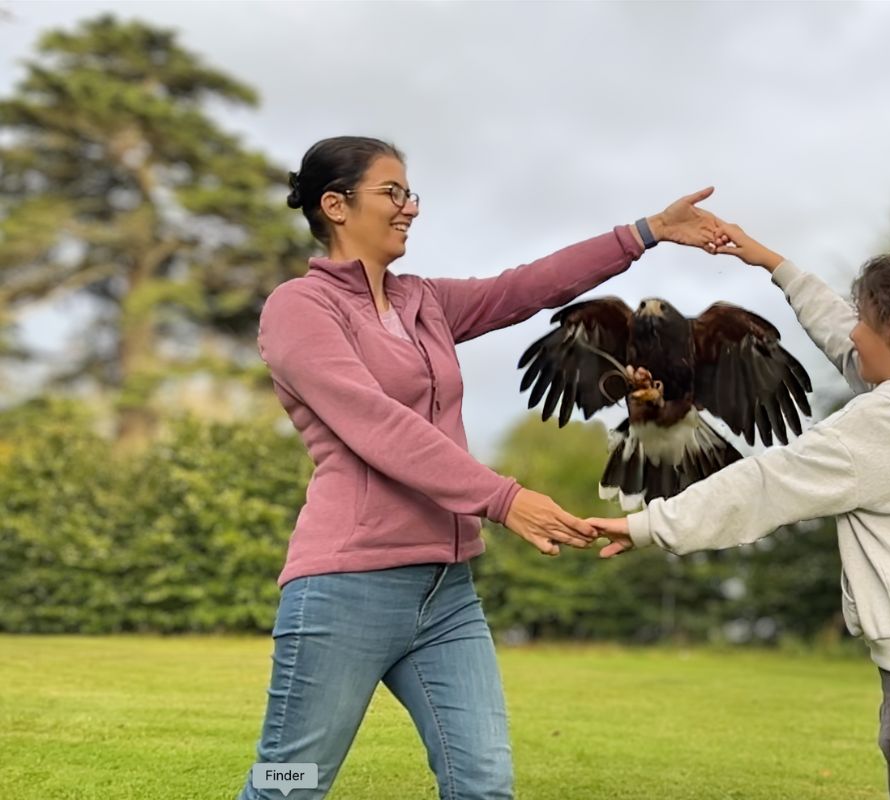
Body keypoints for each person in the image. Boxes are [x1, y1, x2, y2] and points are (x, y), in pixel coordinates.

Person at [236, 135, 719, 800]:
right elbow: (377, 425)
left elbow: (526, 286)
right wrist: (503, 497)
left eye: (411, 193)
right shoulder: (298, 309)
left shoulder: (423, 302)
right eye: (392, 192)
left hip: (446, 594)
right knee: (287, 781)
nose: (410, 207)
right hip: (346, 589)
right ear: (335, 206)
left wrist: (647, 232)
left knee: (483, 785)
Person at [588, 222, 890, 800]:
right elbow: (845, 342)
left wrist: (649, 525)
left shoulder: (887, 423)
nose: (852, 333)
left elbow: (767, 485)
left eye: (863, 320)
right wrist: (773, 263)